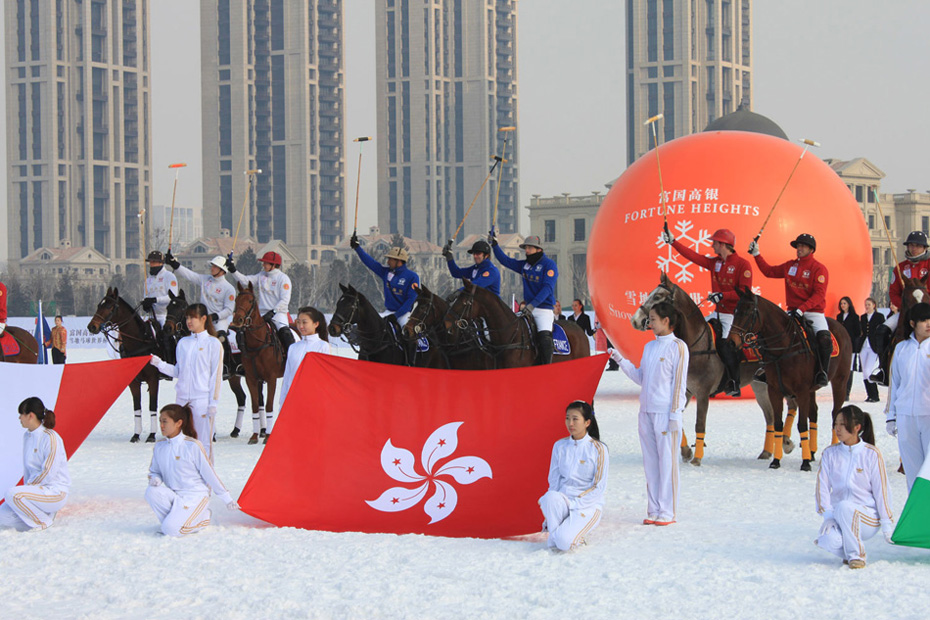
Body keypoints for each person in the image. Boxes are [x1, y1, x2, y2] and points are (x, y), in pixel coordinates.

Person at [610, 302, 688, 525]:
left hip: (665, 413)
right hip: (645, 412)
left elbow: (679, 384)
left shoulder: (678, 347)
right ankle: (654, 509)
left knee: (667, 463)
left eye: (653, 319)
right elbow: (641, 378)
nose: (650, 323)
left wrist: (675, 414)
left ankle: (668, 511)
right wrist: (620, 360)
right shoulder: (649, 347)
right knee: (651, 463)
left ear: (666, 321)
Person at [665, 227, 752, 396]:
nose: (712, 246)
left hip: (734, 316)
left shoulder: (743, 264)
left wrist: (723, 295)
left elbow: (745, 292)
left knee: (725, 346)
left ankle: (734, 382)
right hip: (717, 313)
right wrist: (673, 242)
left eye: (715, 243)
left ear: (723, 244)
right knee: (694, 334)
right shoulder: (715, 263)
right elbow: (693, 257)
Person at [815, 405, 894, 569]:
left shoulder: (871, 454)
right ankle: (849, 550)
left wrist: (887, 523)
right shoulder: (830, 454)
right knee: (826, 540)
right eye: (836, 423)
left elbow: (882, 491)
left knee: (845, 507)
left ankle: (857, 556)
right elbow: (822, 487)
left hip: (867, 518)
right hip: (839, 515)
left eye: (843, 424)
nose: (837, 429)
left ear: (857, 427)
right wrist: (828, 515)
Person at [749, 233, 830, 388]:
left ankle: (822, 372)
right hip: (792, 312)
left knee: (824, 339)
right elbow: (769, 272)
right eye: (798, 246)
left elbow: (819, 294)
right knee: (767, 334)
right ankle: (767, 369)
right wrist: (756, 254)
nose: (799, 249)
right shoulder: (790, 266)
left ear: (811, 249)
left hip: (813, 312)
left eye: (802, 246)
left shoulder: (819, 268)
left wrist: (802, 309)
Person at [145, 404, 239, 537]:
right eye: (160, 421)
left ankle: (202, 519)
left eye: (165, 421)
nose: (161, 425)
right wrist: (156, 479)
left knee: (170, 530)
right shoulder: (160, 446)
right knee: (151, 492)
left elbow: (209, 474)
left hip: (194, 496)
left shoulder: (192, 446)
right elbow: (154, 471)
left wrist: (227, 499)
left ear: (178, 423)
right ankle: (175, 522)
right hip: (174, 495)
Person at [149, 304, 223, 463]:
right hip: (182, 400)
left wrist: (213, 403)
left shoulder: (213, 343)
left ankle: (206, 476)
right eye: (187, 317)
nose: (189, 321)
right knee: (181, 442)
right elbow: (178, 371)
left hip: (201, 400)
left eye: (193, 317)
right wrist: (159, 364)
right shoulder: (183, 343)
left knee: (202, 443)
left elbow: (215, 376)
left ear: (203, 319)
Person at [538, 400, 608, 551]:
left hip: (587, 506)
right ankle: (557, 534)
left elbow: (599, 486)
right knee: (550, 497)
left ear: (587, 422)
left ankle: (563, 537)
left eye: (575, 419)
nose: (570, 423)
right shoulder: (560, 446)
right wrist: (552, 509)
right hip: (564, 501)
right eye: (567, 418)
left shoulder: (598, 449)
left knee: (564, 543)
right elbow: (554, 481)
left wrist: (575, 504)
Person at [0, 397, 70, 531]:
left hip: (55, 492)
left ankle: (44, 522)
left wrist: (28, 489)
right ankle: (40, 516)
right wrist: (28, 491)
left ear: (30, 415)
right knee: (2, 516)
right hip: (36, 492)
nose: (19, 418)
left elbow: (48, 471)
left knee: (12, 494)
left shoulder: (50, 437)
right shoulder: (27, 436)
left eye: (21, 414)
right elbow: (28, 470)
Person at [870, 231, 930, 383]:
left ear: (924, 248)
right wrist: (904, 307)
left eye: (917, 246)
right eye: (911, 245)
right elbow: (893, 292)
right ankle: (883, 369)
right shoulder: (900, 267)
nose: (913, 248)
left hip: (927, 313)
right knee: (882, 331)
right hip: (906, 312)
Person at [165, 251, 237, 377]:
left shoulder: (228, 288)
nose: (212, 268)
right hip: (201, 320)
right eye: (212, 266)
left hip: (218, 321)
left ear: (222, 270)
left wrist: (215, 316)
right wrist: (174, 264)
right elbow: (189, 275)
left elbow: (229, 309)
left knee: (222, 339)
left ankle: (226, 366)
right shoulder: (205, 280)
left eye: (215, 267)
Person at [490, 233, 558, 364]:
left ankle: (547, 367)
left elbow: (547, 288)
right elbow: (505, 261)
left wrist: (532, 305)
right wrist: (495, 245)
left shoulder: (549, 265)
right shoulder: (525, 265)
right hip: (527, 309)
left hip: (543, 309)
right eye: (526, 248)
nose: (526, 250)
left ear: (539, 249)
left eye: (530, 248)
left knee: (544, 338)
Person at [885, 302, 930, 493]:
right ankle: (916, 512)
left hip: (928, 416)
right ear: (912, 323)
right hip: (905, 418)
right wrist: (891, 416)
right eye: (924, 320)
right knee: (912, 472)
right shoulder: (901, 349)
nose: (928, 324)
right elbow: (895, 384)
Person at [226, 251, 295, 354]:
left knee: (285, 333)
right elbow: (245, 281)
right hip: (261, 313)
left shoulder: (283, 278)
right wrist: (233, 270)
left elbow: (284, 300)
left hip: (278, 314)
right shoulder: (261, 275)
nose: (263, 265)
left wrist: (273, 312)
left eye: (266, 263)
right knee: (242, 331)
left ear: (273, 265)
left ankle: (292, 356)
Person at [277, 306, 334, 432]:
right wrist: (282, 403)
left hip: (313, 402)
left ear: (316, 324)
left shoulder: (323, 346)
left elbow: (325, 378)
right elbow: (287, 377)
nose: (301, 326)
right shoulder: (293, 347)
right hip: (293, 401)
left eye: (305, 322)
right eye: (298, 322)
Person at [349, 235, 420, 328]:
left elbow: (411, 300)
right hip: (388, 312)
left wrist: (396, 315)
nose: (388, 262)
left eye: (390, 259)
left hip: (404, 315)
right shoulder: (386, 272)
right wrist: (357, 248)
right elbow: (370, 262)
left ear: (399, 261)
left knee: (408, 331)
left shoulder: (412, 277)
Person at [141, 251, 179, 328]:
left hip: (165, 316)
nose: (151, 264)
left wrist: (156, 300)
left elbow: (172, 297)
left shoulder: (169, 276)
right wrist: (145, 304)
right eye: (150, 262)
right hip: (151, 316)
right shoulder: (148, 280)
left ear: (161, 263)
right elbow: (146, 296)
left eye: (154, 262)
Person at [859, 298, 884, 403]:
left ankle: (875, 395)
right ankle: (869, 395)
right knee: (864, 372)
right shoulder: (863, 317)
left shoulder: (879, 317)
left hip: (873, 346)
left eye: (869, 304)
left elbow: (882, 331)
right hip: (864, 346)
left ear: (874, 305)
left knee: (868, 370)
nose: (867, 306)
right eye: (866, 305)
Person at [836, 297, 860, 400]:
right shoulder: (839, 316)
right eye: (841, 303)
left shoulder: (854, 317)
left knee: (849, 369)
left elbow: (857, 332)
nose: (842, 305)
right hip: (841, 345)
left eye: (844, 303)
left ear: (849, 304)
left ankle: (847, 392)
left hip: (851, 346)